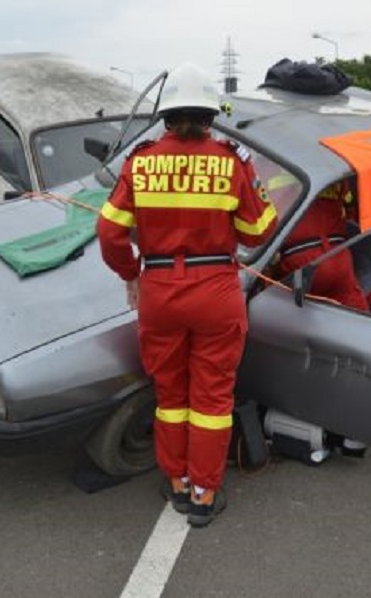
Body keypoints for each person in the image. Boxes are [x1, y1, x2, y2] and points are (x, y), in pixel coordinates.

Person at [96, 63, 278, 527]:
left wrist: (131, 274)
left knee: (171, 394)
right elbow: (259, 231)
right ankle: (203, 493)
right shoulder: (232, 160)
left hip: (160, 291)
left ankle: (176, 482)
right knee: (212, 399)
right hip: (216, 290)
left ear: (166, 115)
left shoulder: (141, 161)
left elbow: (110, 231)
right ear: (211, 115)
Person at [277, 181, 369, 311]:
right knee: (357, 312)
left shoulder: (268, 175)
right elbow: (349, 207)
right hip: (338, 254)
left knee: (291, 311)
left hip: (302, 260)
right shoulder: (336, 176)